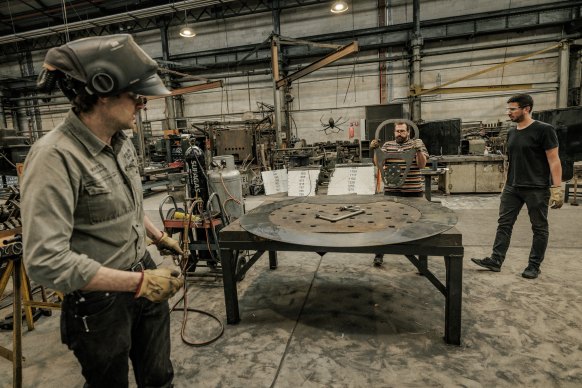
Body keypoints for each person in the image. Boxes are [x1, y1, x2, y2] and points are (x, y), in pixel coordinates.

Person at [21, 34, 185, 387]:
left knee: (159, 376)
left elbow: (121, 207)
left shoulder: (121, 142)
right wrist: (139, 283)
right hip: (100, 300)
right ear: (103, 92)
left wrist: (158, 237)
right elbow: (46, 260)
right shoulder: (54, 157)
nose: (143, 104)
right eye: (136, 95)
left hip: (143, 272)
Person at [471, 94, 563, 279]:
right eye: (508, 109)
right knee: (504, 224)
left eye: (512, 109)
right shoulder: (512, 132)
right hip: (513, 187)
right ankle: (496, 260)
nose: (509, 113)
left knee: (539, 227)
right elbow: (511, 161)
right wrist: (505, 185)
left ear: (526, 109)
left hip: (536, 188)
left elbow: (554, 160)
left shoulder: (544, 130)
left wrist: (557, 188)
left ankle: (534, 266)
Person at [370, 121, 429, 266]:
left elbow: (422, 165)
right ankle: (379, 254)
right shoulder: (388, 145)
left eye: (403, 131)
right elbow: (378, 164)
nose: (400, 134)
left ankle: (422, 261)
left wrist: (419, 150)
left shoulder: (416, 144)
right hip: (391, 191)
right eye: (397, 131)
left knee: (418, 226)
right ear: (394, 132)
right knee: (384, 223)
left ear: (408, 132)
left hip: (413, 191)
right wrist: (376, 150)